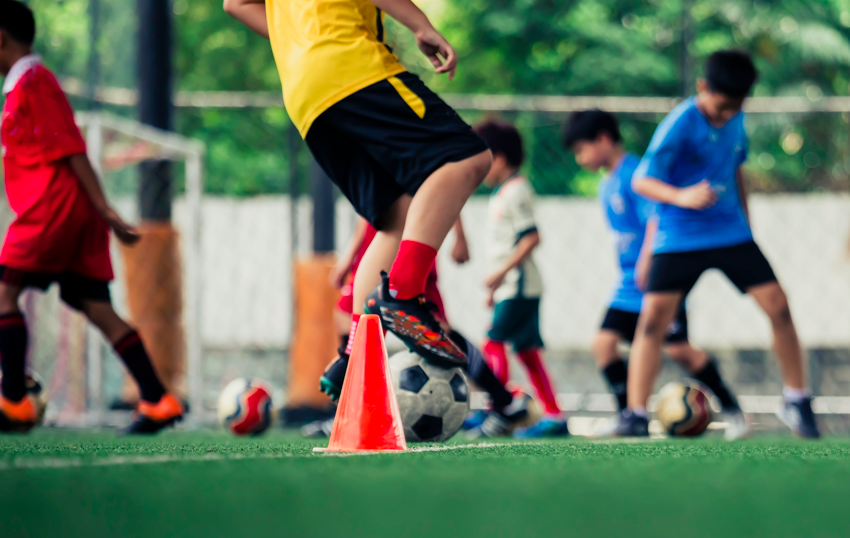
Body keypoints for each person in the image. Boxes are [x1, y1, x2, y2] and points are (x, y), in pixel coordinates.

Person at [225, 0, 492, 372]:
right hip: (351, 67)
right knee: (469, 157)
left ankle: (355, 360)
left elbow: (235, 4)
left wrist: (300, 42)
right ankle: (402, 293)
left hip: (306, 96)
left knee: (394, 221)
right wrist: (420, 24)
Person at [0, 1, 183, 434]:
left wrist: (105, 209)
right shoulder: (23, 85)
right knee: (97, 307)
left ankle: (13, 401)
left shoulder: (33, 82)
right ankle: (159, 399)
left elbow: (72, 147)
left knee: (4, 294)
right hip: (65, 211)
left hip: (53, 210)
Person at [616, 50, 819, 438]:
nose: (728, 114)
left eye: (737, 107)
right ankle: (636, 413)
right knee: (653, 320)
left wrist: (747, 221)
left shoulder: (736, 116)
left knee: (778, 305)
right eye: (722, 106)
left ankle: (797, 400)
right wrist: (682, 196)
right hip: (680, 235)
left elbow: (735, 167)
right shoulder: (680, 123)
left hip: (730, 232)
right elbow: (642, 180)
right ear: (702, 87)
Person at [562, 109, 748, 440]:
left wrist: (649, 259)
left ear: (603, 139)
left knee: (680, 351)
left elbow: (655, 217)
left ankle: (732, 408)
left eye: (581, 149)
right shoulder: (606, 184)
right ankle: (629, 415)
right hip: (627, 286)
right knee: (603, 344)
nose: (579, 159)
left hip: (653, 280)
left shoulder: (635, 173)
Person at [303, 216, 531, 438]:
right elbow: (369, 206)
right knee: (348, 316)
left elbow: (444, 183)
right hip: (376, 242)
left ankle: (504, 403)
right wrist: (350, 255)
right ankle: (351, 412)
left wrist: (459, 234)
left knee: (436, 329)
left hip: (410, 238)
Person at [472, 121, 569, 439]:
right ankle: (554, 414)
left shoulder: (517, 191)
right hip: (511, 287)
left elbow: (531, 238)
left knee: (493, 343)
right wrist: (498, 285)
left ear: (497, 159)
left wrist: (500, 275)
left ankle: (498, 410)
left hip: (520, 286)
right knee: (526, 352)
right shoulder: (502, 194)